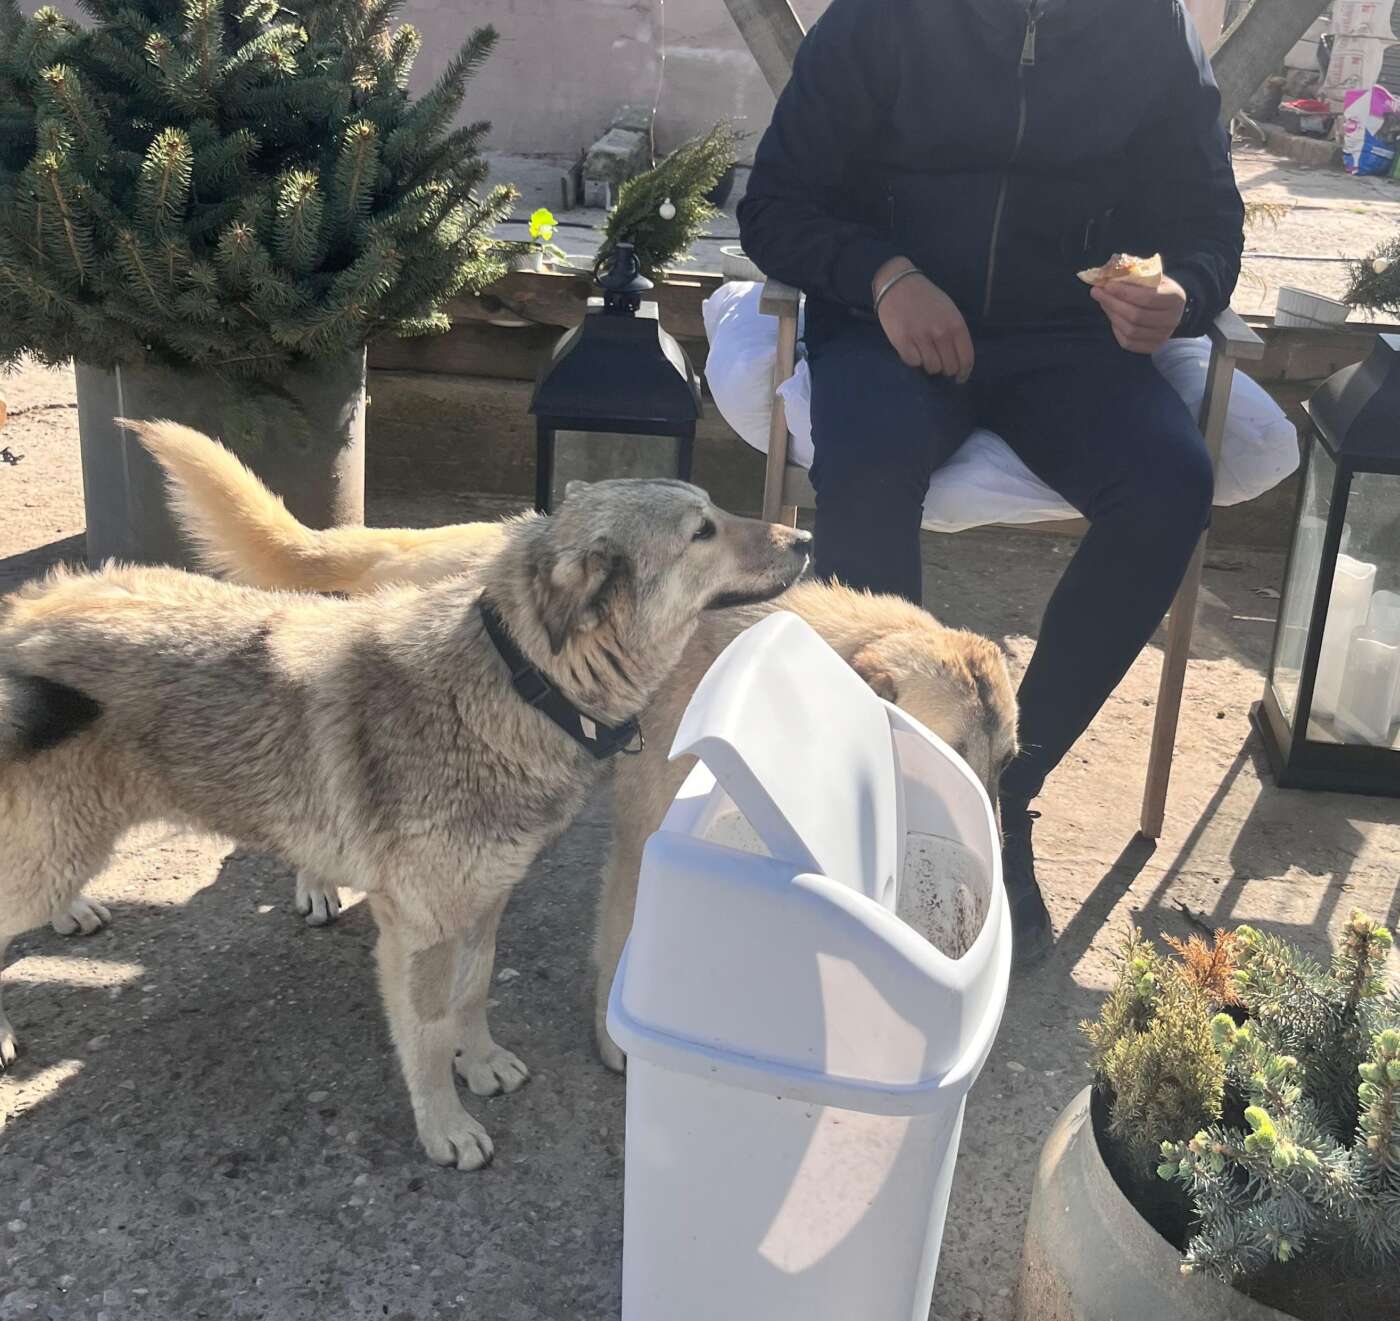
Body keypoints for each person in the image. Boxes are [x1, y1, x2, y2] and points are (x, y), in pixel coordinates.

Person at [737, 0, 1244, 965]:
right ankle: (881, 787)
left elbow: (1210, 223)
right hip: (891, 327)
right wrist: (883, 276)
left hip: (1069, 342)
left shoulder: (1149, 25)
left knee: (1171, 485)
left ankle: (1003, 791)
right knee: (867, 465)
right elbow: (775, 204)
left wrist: (1182, 292)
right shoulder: (880, 17)